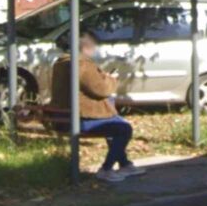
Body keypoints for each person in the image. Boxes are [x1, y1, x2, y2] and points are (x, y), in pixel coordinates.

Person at [51, 30, 146, 182]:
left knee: (116, 124)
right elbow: (102, 89)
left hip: (64, 117)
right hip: (79, 119)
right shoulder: (81, 64)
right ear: (82, 46)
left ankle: (125, 164)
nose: (94, 46)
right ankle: (106, 169)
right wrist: (111, 79)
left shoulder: (60, 63)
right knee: (123, 129)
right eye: (90, 43)